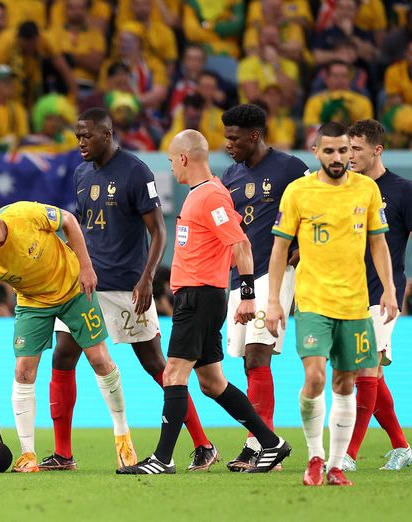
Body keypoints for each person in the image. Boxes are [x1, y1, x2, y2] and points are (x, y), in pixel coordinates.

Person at [46, 108, 216, 472]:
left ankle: (203, 444)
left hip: (127, 287)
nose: (80, 143)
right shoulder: (80, 173)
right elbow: (83, 229)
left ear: (107, 135)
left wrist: (147, 278)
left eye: (86, 136)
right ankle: (63, 454)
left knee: (157, 365)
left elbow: (159, 231)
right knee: (62, 356)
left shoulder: (136, 171)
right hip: (87, 286)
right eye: (77, 136)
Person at [117, 130, 291, 475]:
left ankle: (162, 459)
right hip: (200, 295)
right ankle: (271, 443)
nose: (170, 166)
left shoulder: (210, 196)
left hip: (199, 298)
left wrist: (246, 296)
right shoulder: (204, 194)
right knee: (212, 382)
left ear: (183, 158)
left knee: (173, 373)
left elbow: (241, 244)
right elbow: (226, 247)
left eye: (170, 160)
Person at [0, 201, 136, 473]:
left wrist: (86, 267)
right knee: (23, 370)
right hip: (32, 302)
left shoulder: (24, 214)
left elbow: (69, 221)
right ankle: (28, 454)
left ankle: (123, 435)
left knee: (98, 358)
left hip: (73, 287)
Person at [266, 121, 398, 487]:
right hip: (313, 302)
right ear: (316, 152)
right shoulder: (298, 192)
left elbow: (378, 244)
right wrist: (275, 302)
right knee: (315, 377)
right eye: (330, 151)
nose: (338, 158)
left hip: (356, 306)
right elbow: (279, 249)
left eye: (344, 150)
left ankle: (336, 465)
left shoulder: (367, 190)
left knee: (344, 384)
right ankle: (315, 457)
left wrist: (389, 288)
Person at [343, 119, 412, 472]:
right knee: (371, 375)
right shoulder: (344, 188)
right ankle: (401, 447)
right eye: (347, 148)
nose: (350, 155)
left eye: (356, 149)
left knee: (364, 368)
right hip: (345, 295)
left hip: (384, 295)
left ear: (377, 149)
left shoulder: (404, 190)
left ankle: (348, 455)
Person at [220, 104, 309, 471]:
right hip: (238, 277)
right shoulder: (229, 175)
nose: (228, 144)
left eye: (234, 138)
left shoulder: (291, 168)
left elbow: (315, 208)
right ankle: (255, 441)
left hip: (274, 274)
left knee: (258, 354)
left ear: (254, 135)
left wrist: (302, 247)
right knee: (245, 361)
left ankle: (266, 445)